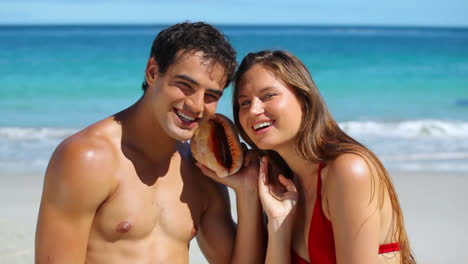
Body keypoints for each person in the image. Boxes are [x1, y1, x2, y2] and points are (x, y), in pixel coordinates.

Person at [35, 22, 265, 264]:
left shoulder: (199, 172)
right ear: (153, 73)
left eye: (210, 96)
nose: (197, 106)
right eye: (185, 86)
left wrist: (247, 192)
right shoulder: (89, 158)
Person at [232, 50, 416, 264]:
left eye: (268, 96)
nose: (253, 110)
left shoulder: (348, 170)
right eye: (244, 103)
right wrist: (277, 224)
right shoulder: (280, 184)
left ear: (304, 98)